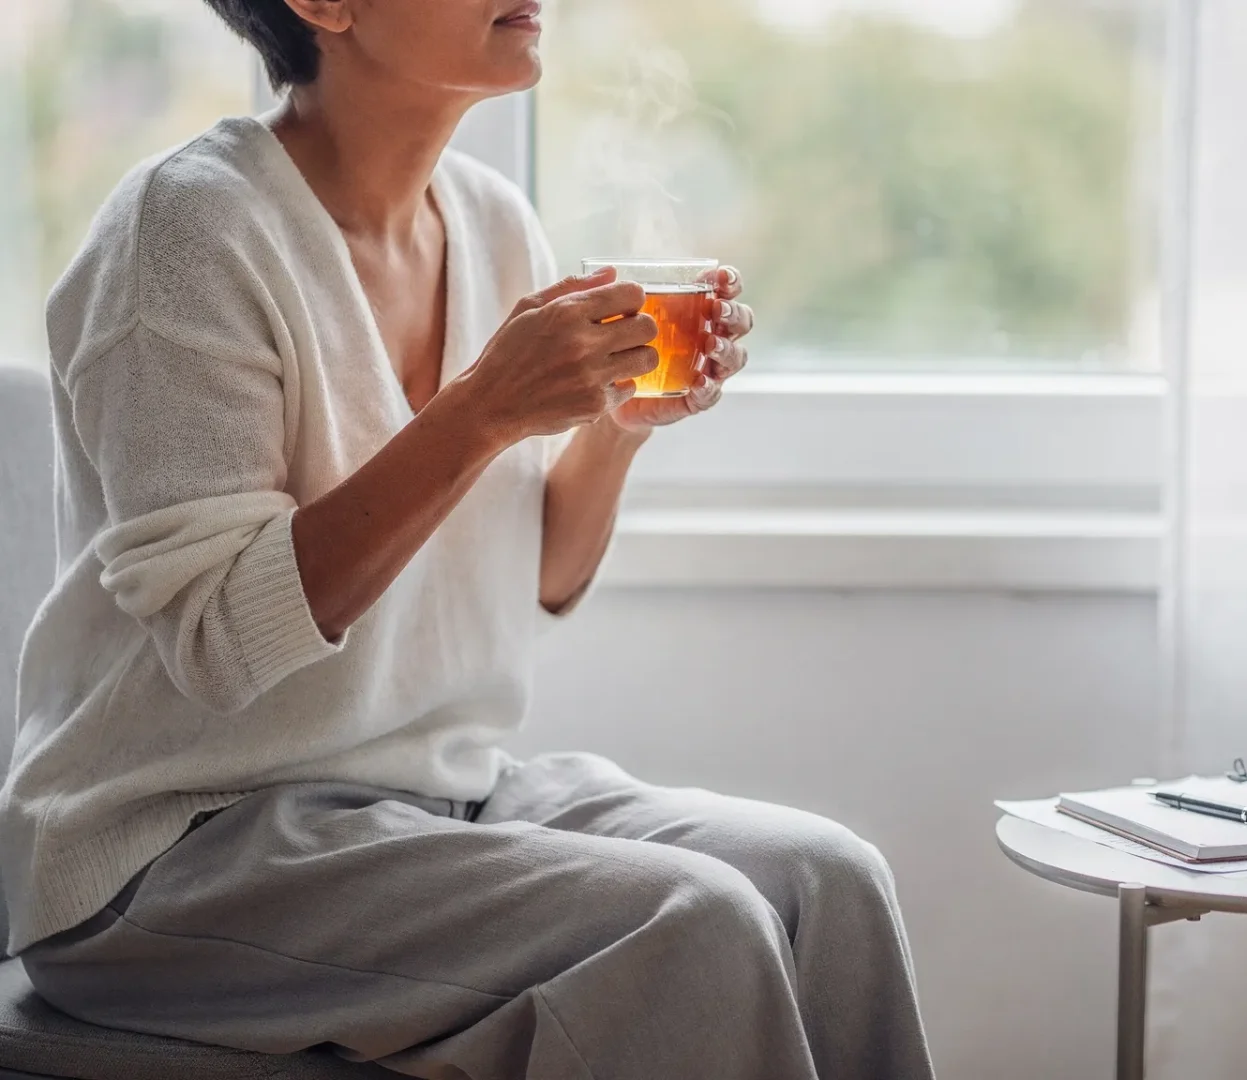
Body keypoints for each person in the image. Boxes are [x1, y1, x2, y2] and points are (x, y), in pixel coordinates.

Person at [0, 1, 936, 1077]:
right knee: (693, 920)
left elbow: (532, 578)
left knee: (827, 880)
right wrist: (483, 409)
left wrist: (618, 429)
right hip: (178, 850)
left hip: (436, 792)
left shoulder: (493, 222)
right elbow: (220, 644)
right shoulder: (184, 232)